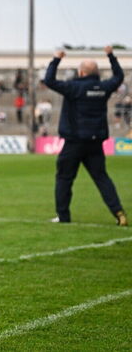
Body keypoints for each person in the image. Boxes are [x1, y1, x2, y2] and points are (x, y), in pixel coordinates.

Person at [42, 46, 126, 226]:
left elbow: (49, 80)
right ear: (96, 73)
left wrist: (56, 59)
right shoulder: (104, 87)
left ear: (81, 72)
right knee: (102, 178)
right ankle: (119, 212)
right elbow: (119, 77)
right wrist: (111, 56)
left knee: (64, 178)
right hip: (95, 142)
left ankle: (63, 216)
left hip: (74, 141)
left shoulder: (74, 87)